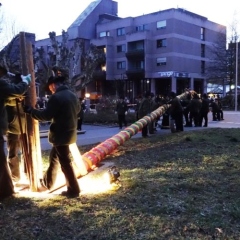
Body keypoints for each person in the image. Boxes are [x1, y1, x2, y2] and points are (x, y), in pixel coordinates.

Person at [23, 76, 81, 198]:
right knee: (54, 159)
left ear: (54, 85)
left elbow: (46, 116)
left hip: (60, 135)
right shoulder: (72, 95)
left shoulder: (56, 97)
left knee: (65, 163)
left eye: (50, 87)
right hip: (69, 133)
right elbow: (78, 110)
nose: (50, 90)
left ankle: (74, 189)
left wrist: (31, 111)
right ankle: (48, 183)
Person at [0, 66, 31, 200]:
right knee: (10, 154)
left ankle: (24, 175)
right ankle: (12, 180)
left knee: (25, 152)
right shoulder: (7, 87)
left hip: (24, 126)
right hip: (13, 126)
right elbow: (11, 95)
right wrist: (23, 84)